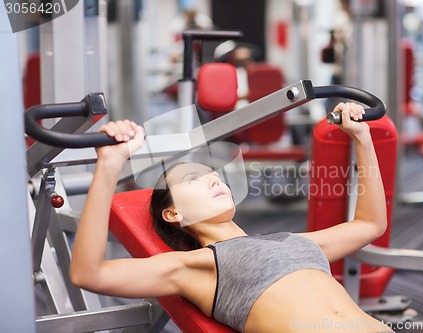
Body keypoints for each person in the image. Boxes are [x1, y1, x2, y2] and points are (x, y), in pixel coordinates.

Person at [70, 102, 394, 333]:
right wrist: (109, 166)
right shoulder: (197, 266)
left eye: (212, 174)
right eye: (193, 179)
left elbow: (370, 225)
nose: (213, 179)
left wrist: (362, 138)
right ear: (173, 213)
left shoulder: (294, 242)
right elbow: (89, 274)